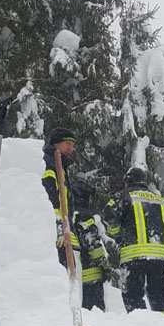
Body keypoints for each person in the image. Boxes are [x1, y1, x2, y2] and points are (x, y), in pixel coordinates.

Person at [41, 128, 109, 310]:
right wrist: (58, 226)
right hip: (58, 230)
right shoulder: (49, 165)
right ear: (56, 144)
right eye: (67, 144)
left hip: (65, 229)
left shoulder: (61, 167)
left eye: (73, 145)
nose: (71, 148)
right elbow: (49, 197)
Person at [103, 167, 164, 314]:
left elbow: (110, 218)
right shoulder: (160, 200)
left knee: (133, 294)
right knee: (158, 293)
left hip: (134, 253)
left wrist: (118, 236)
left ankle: (140, 324)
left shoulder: (123, 196)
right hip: (160, 254)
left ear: (127, 182)